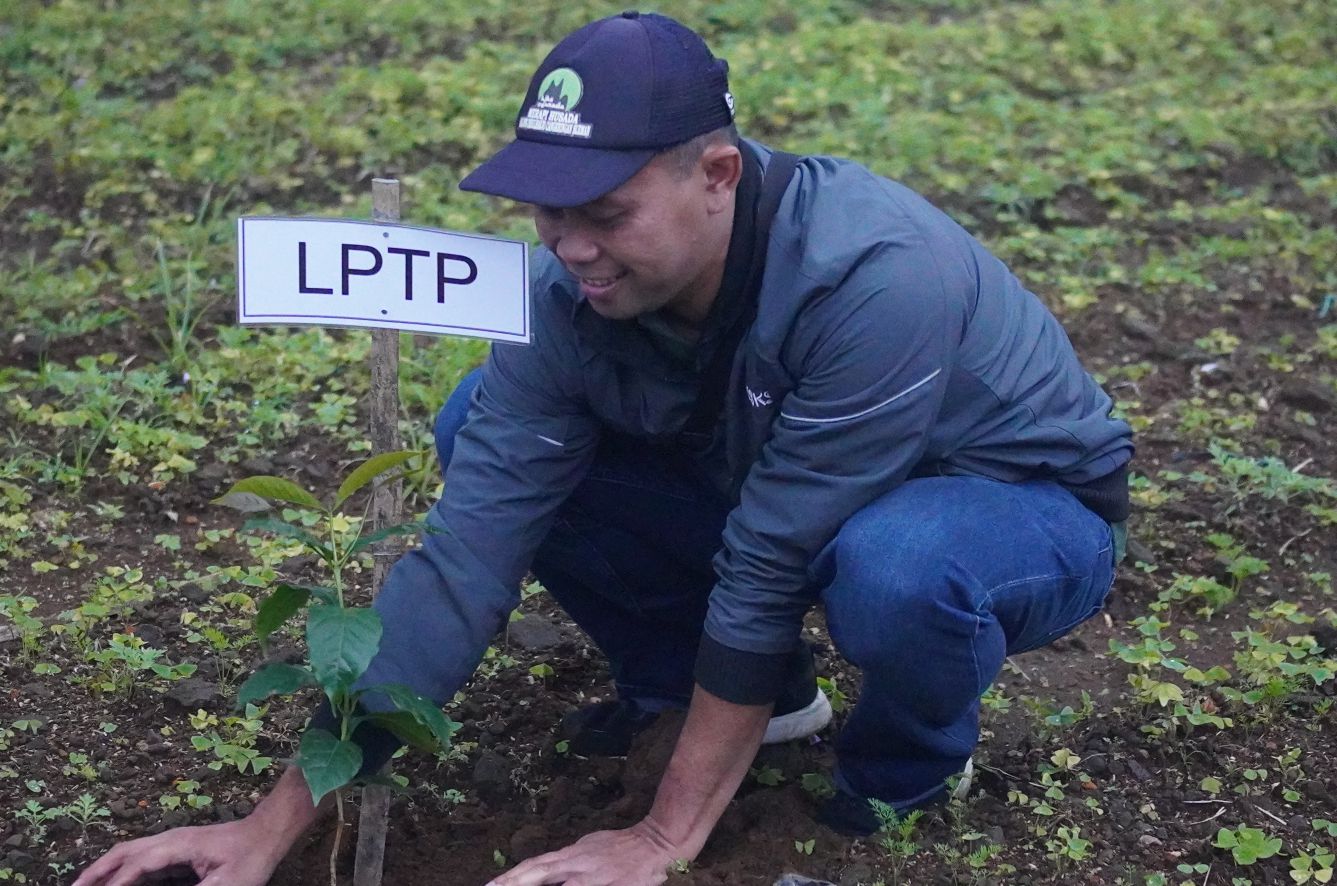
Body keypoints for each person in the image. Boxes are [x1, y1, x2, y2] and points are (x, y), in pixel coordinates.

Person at [76, 11, 1132, 886]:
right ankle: (748, 701)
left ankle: (902, 772)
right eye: (548, 212)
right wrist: (269, 828)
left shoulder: (872, 277)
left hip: (1007, 503)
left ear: (715, 173)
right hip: (788, 478)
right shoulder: (564, 297)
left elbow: (767, 560)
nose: (573, 246)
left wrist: (661, 838)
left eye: (607, 213)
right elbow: (464, 559)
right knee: (472, 425)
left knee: (898, 568)